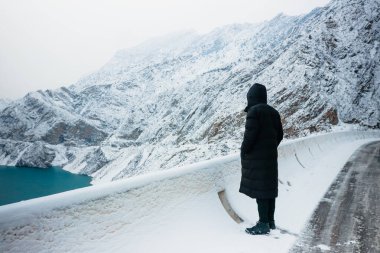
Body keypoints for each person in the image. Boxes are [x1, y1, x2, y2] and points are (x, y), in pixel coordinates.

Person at [240, 83, 283, 235]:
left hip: (257, 159)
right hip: (270, 158)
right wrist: (269, 148)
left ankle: (262, 224)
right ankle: (270, 222)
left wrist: (244, 151)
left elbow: (249, 137)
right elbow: (280, 136)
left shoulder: (254, 111)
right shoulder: (274, 112)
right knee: (269, 190)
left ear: (251, 97)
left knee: (261, 192)